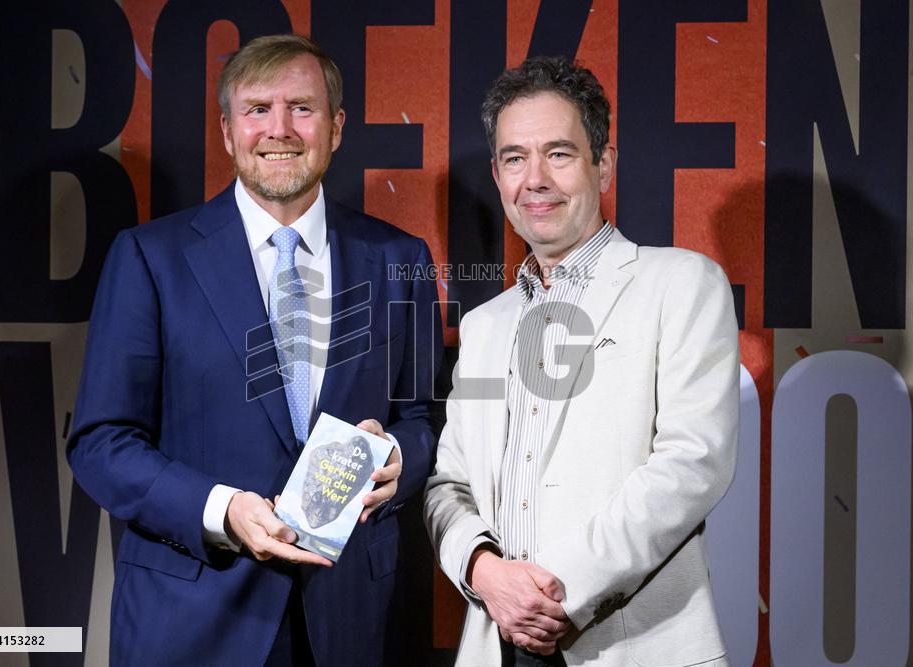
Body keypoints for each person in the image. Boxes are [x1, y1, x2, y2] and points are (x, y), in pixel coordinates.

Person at [68, 34, 441, 666]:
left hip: (350, 622)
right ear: (226, 128)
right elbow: (101, 440)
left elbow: (427, 415)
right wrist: (224, 510)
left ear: (337, 126)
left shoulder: (399, 259)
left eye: (302, 107)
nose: (280, 129)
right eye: (257, 109)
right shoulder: (149, 258)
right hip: (193, 621)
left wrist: (399, 457)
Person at [423, 56, 738, 667]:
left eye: (559, 153)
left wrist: (554, 588)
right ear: (497, 175)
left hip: (635, 644)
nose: (535, 179)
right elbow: (449, 485)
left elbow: (693, 462)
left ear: (605, 164)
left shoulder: (681, 284)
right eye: (515, 158)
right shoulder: (486, 327)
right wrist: (486, 573)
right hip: (498, 642)